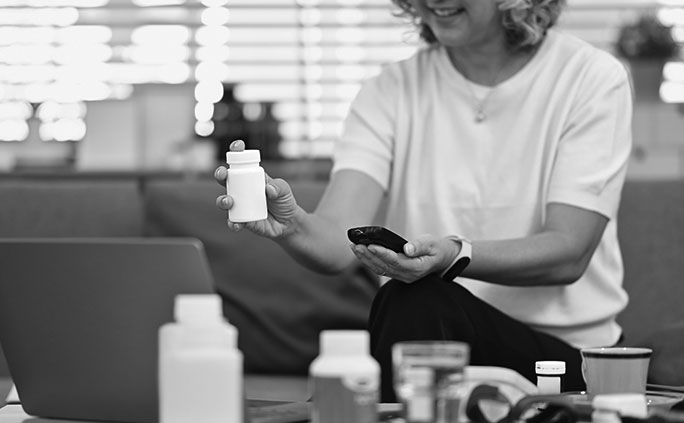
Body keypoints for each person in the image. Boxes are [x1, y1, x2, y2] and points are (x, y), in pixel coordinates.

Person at [215, 0, 632, 402]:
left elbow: (568, 252)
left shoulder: (589, 78)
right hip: (430, 342)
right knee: (414, 299)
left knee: (415, 295)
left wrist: (456, 255)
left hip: (561, 360)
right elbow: (336, 242)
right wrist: (292, 227)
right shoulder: (390, 90)